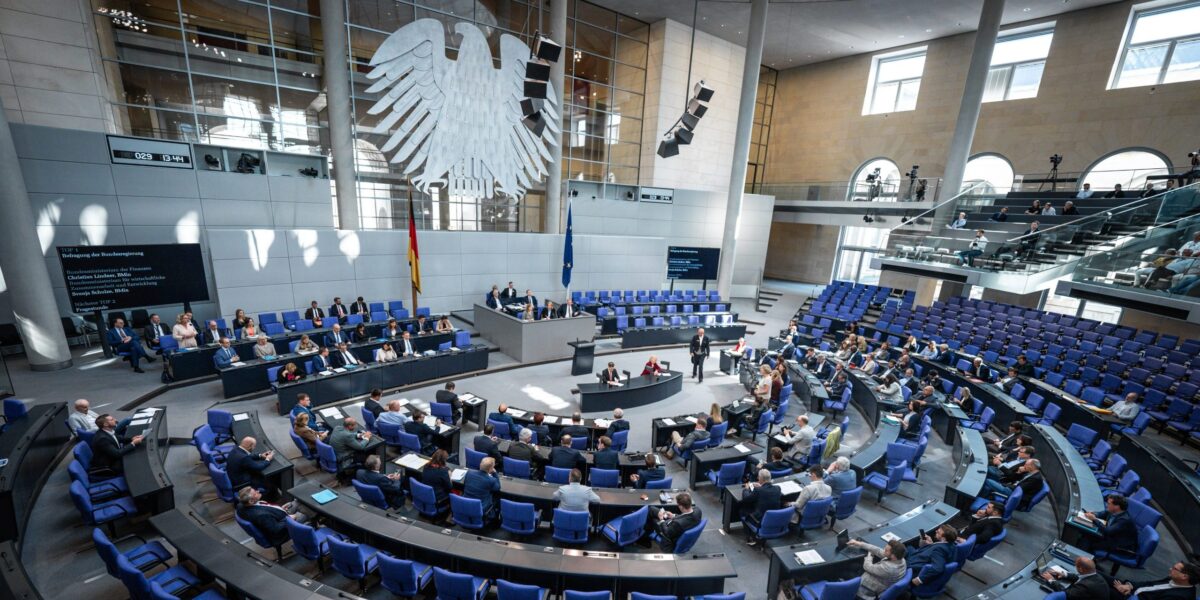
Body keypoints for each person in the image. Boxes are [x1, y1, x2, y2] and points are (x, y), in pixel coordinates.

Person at [236, 487, 303, 547]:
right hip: (282, 533)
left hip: (279, 516)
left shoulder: (241, 505)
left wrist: (279, 509)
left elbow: (267, 515)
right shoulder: (261, 515)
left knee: (298, 502)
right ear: (251, 501)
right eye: (255, 493)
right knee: (307, 512)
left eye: (255, 490)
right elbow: (276, 529)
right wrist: (289, 518)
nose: (258, 491)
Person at [742, 469, 783, 545]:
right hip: (775, 518)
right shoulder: (778, 488)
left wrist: (746, 489)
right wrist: (761, 486)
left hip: (760, 520)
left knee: (742, 511)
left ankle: (750, 538)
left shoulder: (758, 490)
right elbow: (767, 493)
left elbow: (746, 498)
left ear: (760, 479)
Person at [1040, 556, 1110, 600]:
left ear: (1081, 569)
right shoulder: (1097, 576)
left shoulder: (1084, 587)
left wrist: (1051, 580)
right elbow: (1080, 578)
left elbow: (1065, 594)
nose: (1075, 568)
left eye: (1076, 566)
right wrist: (1065, 574)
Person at [463, 457, 502, 522]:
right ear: (491, 469)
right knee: (497, 498)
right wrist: (495, 473)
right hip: (481, 507)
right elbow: (497, 488)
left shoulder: (469, 472)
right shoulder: (491, 480)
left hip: (465, 503)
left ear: (480, 464)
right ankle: (495, 521)